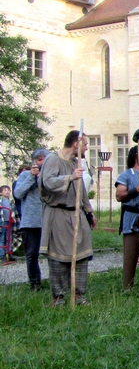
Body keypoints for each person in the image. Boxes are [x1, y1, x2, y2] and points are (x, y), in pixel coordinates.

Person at [39, 131, 96, 306]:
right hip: (59, 213)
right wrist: (70, 177)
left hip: (77, 213)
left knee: (82, 253)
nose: (87, 148)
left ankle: (78, 295)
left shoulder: (74, 163)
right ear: (75, 144)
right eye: (85, 144)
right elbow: (47, 182)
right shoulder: (53, 159)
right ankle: (59, 297)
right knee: (59, 256)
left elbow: (81, 190)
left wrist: (89, 210)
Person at [115, 146, 139, 289]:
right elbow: (119, 195)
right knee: (130, 255)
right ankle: (127, 287)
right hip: (132, 217)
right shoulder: (126, 175)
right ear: (135, 155)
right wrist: (136, 190)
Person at [13, 149, 47, 290]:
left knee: (55, 254)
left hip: (48, 220)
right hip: (30, 222)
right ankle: (35, 283)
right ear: (34, 162)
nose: (42, 162)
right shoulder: (25, 175)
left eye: (44, 159)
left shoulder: (51, 175)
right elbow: (18, 193)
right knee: (31, 255)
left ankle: (58, 283)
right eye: (39, 160)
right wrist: (31, 177)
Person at [0, 185, 13, 259]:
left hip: (10, 221)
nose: (7, 191)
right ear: (1, 193)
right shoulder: (1, 201)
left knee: (9, 237)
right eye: (5, 190)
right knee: (2, 237)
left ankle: (9, 252)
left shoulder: (11, 201)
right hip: (2, 221)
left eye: (8, 190)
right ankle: (2, 255)